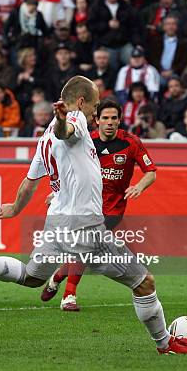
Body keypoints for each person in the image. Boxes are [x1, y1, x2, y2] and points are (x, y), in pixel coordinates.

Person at [0, 75, 187, 354]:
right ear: (82, 102)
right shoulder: (76, 120)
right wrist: (63, 119)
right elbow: (66, 130)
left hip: (56, 223)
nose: (96, 115)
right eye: (95, 108)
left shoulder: (44, 136)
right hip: (85, 225)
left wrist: (15, 208)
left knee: (31, 277)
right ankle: (165, 344)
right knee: (144, 283)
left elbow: (30, 181)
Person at [40, 99, 157, 311]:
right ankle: (62, 285)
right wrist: (57, 192)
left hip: (112, 210)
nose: (110, 122)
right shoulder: (86, 140)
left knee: (84, 245)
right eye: (105, 118)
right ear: (96, 120)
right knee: (86, 247)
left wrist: (139, 186)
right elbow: (69, 170)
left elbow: (151, 171)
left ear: (120, 120)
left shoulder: (131, 142)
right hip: (84, 205)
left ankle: (64, 288)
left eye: (114, 118)